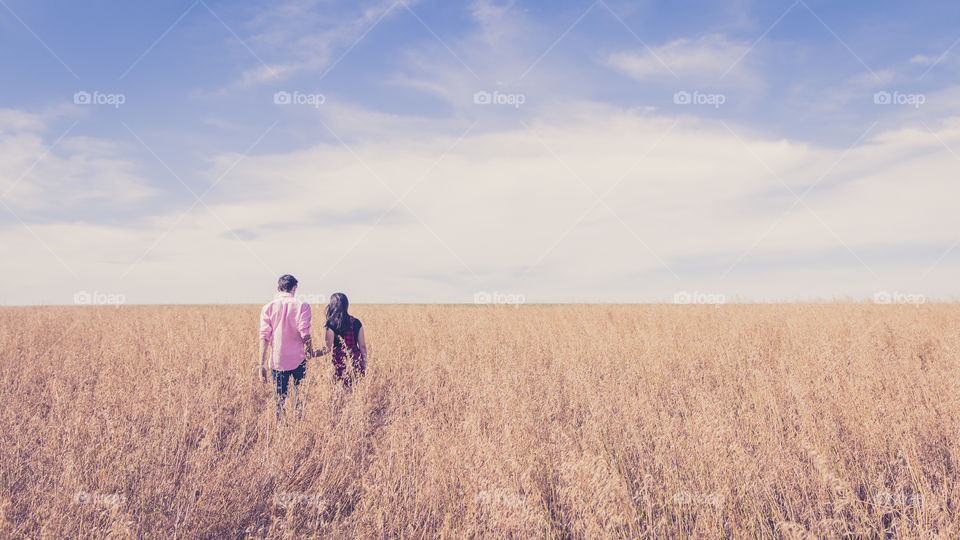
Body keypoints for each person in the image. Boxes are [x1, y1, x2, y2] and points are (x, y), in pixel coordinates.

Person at [258, 274, 319, 419]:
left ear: (278, 288)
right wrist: (310, 351)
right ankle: (298, 426)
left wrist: (260, 365)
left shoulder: (268, 307)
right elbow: (305, 334)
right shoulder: (302, 305)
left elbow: (264, 337)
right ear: (295, 288)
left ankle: (280, 430)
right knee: (300, 398)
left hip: (277, 361)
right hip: (298, 359)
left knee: (279, 401)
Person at [314, 292, 367, 387]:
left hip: (339, 361)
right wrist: (364, 364)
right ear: (346, 305)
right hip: (355, 359)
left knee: (341, 388)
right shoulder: (356, 322)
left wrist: (313, 354)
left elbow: (327, 349)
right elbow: (362, 346)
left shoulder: (331, 323)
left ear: (332, 305)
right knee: (355, 388)